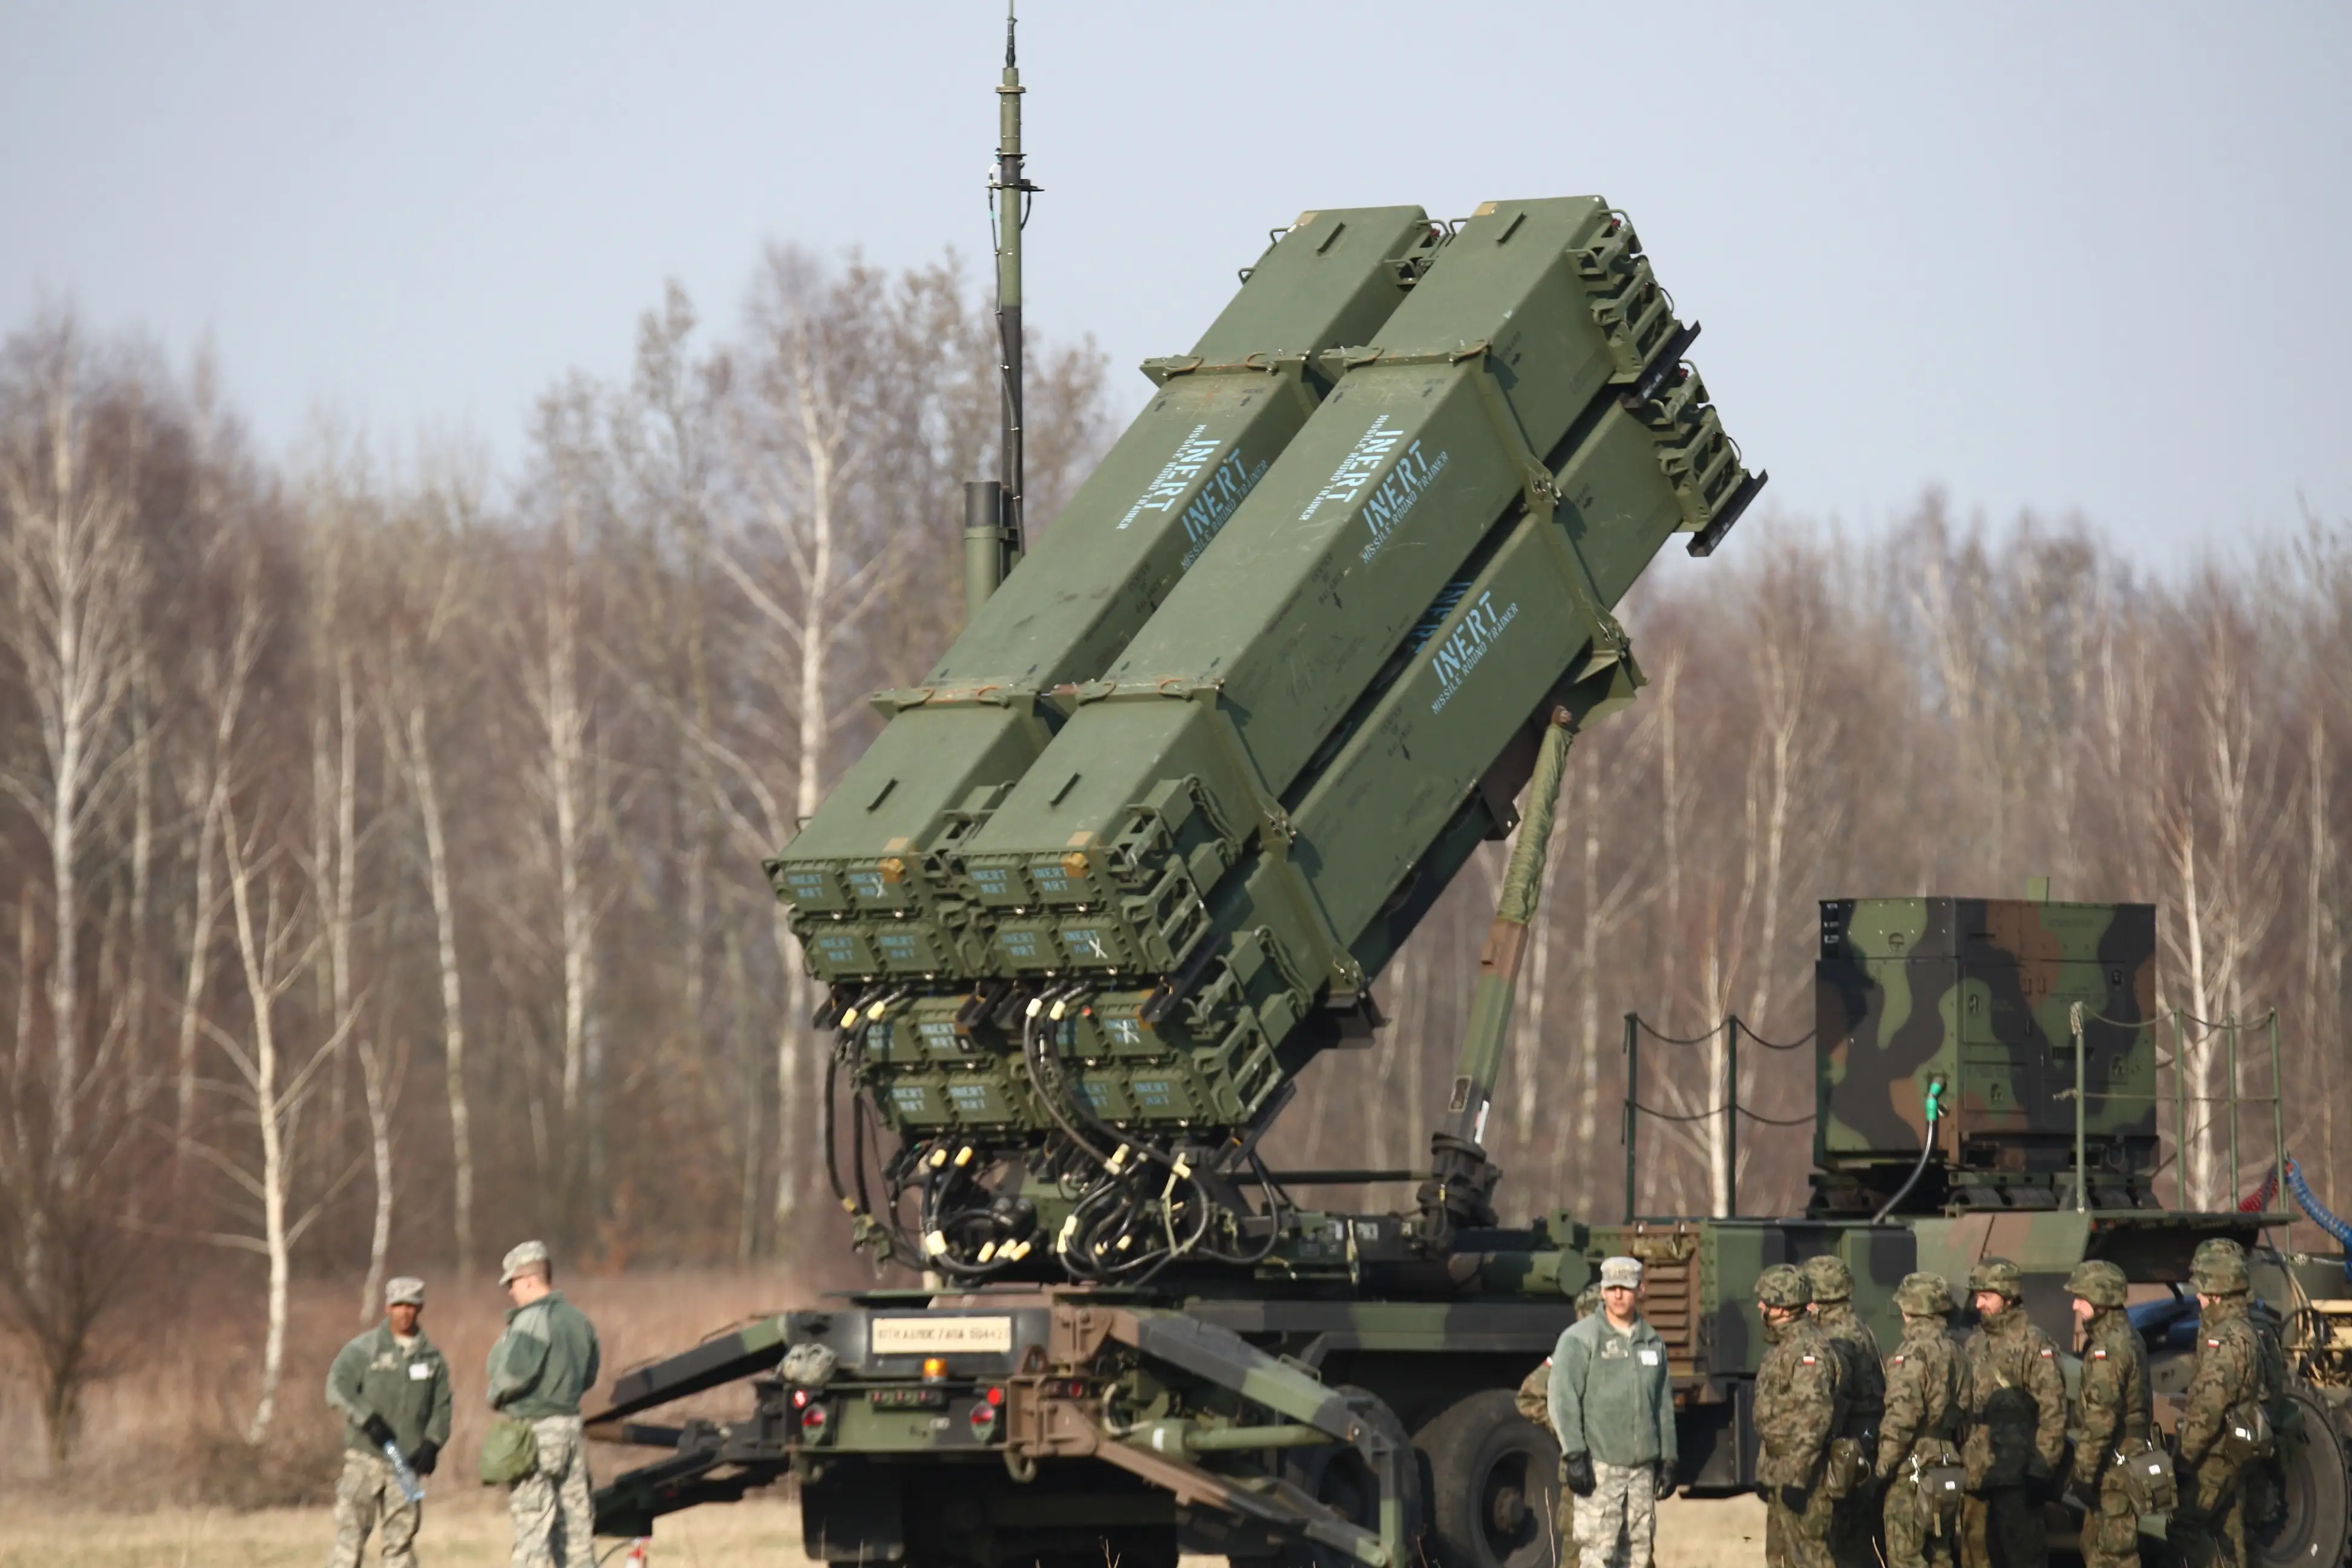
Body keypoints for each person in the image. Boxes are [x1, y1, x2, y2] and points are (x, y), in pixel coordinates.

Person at [1549, 1257, 1677, 1568]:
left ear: (1641, 1290)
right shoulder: (1580, 1339)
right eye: (1612, 1288)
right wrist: (1575, 1455)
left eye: (1627, 1288)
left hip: (1642, 1471)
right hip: (1600, 1468)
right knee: (1596, 1556)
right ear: (1603, 1292)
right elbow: (1562, 1399)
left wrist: (1669, 1457)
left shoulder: (1653, 1343)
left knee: (1638, 1555)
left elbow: (1662, 1403)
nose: (1619, 1295)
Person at [488, 1240, 603, 1568]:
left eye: (511, 1283)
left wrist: (495, 1395)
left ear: (527, 1279)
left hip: (536, 1433)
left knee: (533, 1530)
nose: (511, 1292)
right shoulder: (579, 1321)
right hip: (571, 1430)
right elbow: (590, 1375)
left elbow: (513, 1374)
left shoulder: (530, 1320)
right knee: (577, 1532)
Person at [324, 1275, 452, 1568]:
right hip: (363, 1460)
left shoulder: (432, 1359)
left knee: (402, 1544)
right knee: (350, 1540)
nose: (405, 1312)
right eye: (399, 1305)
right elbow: (336, 1388)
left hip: (405, 1466)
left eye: (412, 1305)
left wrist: (433, 1443)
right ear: (387, 1307)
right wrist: (367, 1420)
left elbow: (442, 1407)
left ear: (420, 1309)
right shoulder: (363, 1350)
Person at [1959, 1257, 2065, 1568]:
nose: (1978, 1304)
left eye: (1986, 1296)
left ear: (2009, 1297)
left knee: (2023, 1557)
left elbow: (2053, 1411)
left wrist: (2041, 1469)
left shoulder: (2034, 1342)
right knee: (1975, 1556)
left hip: (2018, 1475)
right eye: (1976, 1296)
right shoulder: (1975, 1343)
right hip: (1978, 1472)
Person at [2174, 1248, 2266, 1568]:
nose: (2198, 1298)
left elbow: (2207, 1410)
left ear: (2217, 1295)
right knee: (2231, 1533)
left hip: (2215, 1455)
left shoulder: (2225, 1339)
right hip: (2235, 1452)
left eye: (2203, 1292)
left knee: (2183, 1526)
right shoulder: (2244, 1330)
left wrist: (2182, 1460)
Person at [1755, 1263, 1843, 1568]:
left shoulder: (1808, 1351)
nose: (1760, 1307)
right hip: (1782, 1472)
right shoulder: (1784, 1348)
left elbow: (1815, 1417)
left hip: (1803, 1477)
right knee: (1780, 1559)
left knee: (1809, 1557)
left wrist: (1797, 1472)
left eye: (1766, 1301)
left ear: (1784, 1307)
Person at [2066, 1261, 2152, 1568]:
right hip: (2122, 1463)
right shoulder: (2125, 1336)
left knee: (2113, 1555)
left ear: (2101, 1300)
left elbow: (2101, 1419)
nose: (2075, 1304)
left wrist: (2083, 1474)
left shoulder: (2110, 1348)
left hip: (2115, 1469)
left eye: (2081, 1297)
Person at [1877, 1272, 1967, 1568]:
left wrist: (1883, 1467)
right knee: (1940, 1554)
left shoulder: (1912, 1353)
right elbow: (1967, 1408)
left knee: (1906, 1557)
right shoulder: (1957, 1351)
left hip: (1913, 1469)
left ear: (1910, 1309)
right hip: (1948, 1464)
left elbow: (1902, 1417)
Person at [1803, 1255, 1886, 1568]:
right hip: (1864, 1444)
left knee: (1844, 1543)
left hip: (1848, 1452)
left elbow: (1836, 1400)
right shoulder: (1859, 1328)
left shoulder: (1836, 1338)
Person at [1517, 1284, 1606, 1560]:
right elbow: (1529, 1397)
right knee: (1576, 1552)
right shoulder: (1569, 1355)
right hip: (1584, 1472)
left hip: (1624, 1471)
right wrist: (1570, 1430)